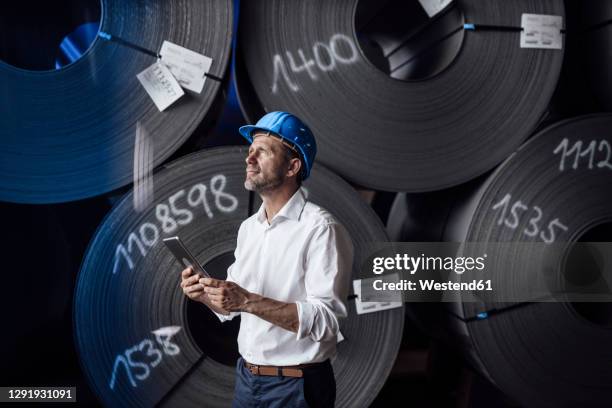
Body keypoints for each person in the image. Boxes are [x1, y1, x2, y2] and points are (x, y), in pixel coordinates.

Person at [180, 111, 354, 407]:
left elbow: (327, 322)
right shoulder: (250, 228)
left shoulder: (321, 229)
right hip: (247, 381)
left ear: (292, 167)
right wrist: (204, 295)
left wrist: (246, 300)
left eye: (263, 151)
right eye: (250, 151)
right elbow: (231, 307)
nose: (249, 159)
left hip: (297, 387)